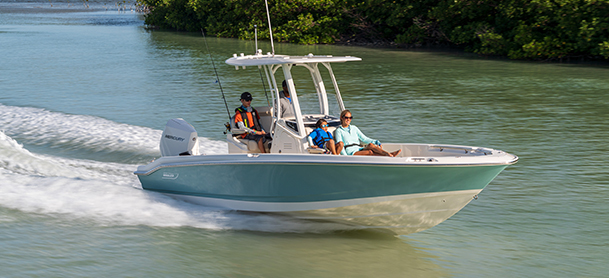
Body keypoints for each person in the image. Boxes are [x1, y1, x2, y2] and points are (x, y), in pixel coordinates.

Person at [334, 110, 401, 157]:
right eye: (346, 117)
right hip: (350, 151)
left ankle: (387, 154)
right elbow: (340, 145)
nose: (348, 119)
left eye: (350, 118)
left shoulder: (354, 128)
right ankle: (389, 155)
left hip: (358, 148)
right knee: (369, 152)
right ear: (341, 118)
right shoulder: (339, 131)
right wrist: (346, 157)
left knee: (371, 145)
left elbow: (364, 138)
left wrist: (375, 141)